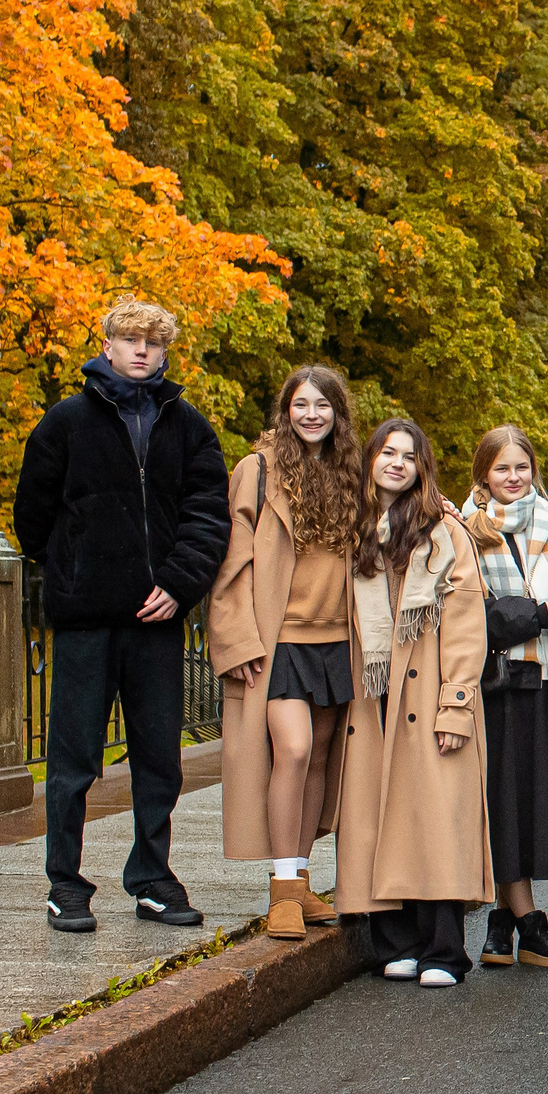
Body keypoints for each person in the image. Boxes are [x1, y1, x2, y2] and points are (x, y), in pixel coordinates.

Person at [15, 298, 228, 933]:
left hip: (157, 619)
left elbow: (208, 515)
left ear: (165, 352)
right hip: (85, 621)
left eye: (152, 343)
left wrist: (180, 583)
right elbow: (33, 515)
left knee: (159, 754)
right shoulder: (66, 422)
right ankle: (65, 884)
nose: (140, 351)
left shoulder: (188, 426)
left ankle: (153, 880)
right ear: (106, 346)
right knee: (74, 757)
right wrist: (74, 570)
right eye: (129, 340)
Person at [332, 420, 494, 988]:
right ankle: (394, 942)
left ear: (423, 467)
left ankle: (445, 949)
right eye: (387, 453)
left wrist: (456, 704)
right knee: (380, 816)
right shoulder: (351, 528)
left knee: (435, 818)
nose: (397, 463)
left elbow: (467, 626)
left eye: (409, 456)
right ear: (371, 459)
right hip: (372, 693)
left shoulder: (444, 530)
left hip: (427, 693)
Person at [207, 363, 365, 941]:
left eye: (322, 405)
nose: (311, 415)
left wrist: (448, 508)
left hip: (338, 640)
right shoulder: (257, 470)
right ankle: (280, 890)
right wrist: (236, 639)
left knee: (321, 756)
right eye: (301, 404)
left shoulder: (353, 471)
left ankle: (301, 885)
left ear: (337, 413)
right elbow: (234, 562)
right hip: (280, 641)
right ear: (286, 410)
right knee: (292, 750)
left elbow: (401, 511)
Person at [457, 427, 548, 971]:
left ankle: (502, 922)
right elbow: (470, 616)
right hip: (494, 686)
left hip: (547, 685)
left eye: (522, 467)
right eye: (502, 469)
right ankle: (530, 923)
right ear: (483, 474)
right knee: (504, 803)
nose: (513, 478)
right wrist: (536, 615)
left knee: (532, 806)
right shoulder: (464, 532)